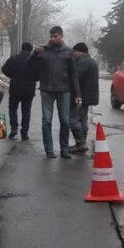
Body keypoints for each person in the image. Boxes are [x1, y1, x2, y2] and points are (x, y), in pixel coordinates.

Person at [30, 26, 81, 159]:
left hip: (64, 90)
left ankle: (64, 149)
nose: (53, 39)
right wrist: (35, 53)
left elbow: (74, 74)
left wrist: (78, 94)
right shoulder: (44, 50)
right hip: (47, 89)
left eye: (55, 36)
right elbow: (29, 65)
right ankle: (49, 150)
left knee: (64, 120)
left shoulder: (68, 52)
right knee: (46, 120)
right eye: (51, 36)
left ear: (61, 36)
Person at [2, 42, 38, 141]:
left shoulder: (13, 58)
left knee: (13, 108)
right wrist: (33, 79)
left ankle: (14, 128)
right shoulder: (34, 60)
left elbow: (4, 69)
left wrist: (12, 76)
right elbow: (39, 74)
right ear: (31, 50)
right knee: (26, 111)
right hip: (29, 89)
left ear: (21, 48)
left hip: (15, 88)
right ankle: (24, 133)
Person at [69, 42, 99, 154]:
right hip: (89, 96)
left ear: (80, 51)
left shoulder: (83, 63)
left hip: (82, 96)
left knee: (73, 119)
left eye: (75, 52)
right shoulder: (91, 61)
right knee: (83, 120)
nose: (73, 54)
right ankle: (82, 143)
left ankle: (80, 143)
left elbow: (75, 77)